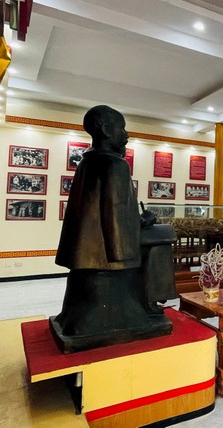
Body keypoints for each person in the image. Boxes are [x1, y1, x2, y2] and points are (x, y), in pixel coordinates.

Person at [53, 105, 172, 352]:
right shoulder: (115, 165)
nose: (126, 135)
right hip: (110, 250)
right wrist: (129, 248)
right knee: (162, 238)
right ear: (107, 130)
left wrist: (137, 222)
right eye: (123, 129)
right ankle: (149, 304)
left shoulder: (87, 162)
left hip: (87, 247)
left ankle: (148, 302)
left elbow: (108, 211)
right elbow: (116, 216)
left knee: (157, 234)